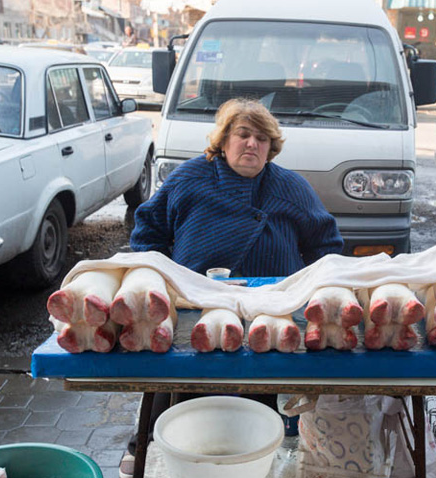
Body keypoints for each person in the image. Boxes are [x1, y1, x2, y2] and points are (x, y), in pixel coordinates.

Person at [119, 98, 343, 478]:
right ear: (223, 142)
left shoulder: (291, 187)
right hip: (195, 302)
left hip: (271, 308)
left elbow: (327, 247)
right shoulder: (189, 178)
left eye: (261, 138)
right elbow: (148, 231)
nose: (251, 144)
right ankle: (147, 444)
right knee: (182, 378)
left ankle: (254, 451)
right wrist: (163, 279)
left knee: (261, 385)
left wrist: (304, 291)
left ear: (272, 148)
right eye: (242, 135)